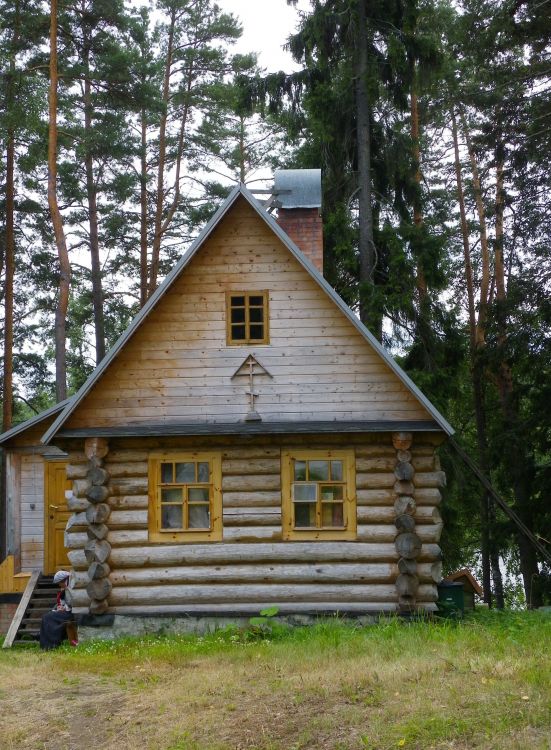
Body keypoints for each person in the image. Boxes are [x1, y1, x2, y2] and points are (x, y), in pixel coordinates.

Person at [39, 570, 76, 650]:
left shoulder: (73, 587)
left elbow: (74, 603)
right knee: (47, 617)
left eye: (59, 582)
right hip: (68, 612)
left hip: (73, 614)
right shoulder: (66, 589)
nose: (59, 585)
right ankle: (47, 645)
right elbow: (66, 603)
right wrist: (62, 607)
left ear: (63, 580)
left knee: (48, 618)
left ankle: (51, 645)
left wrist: (65, 608)